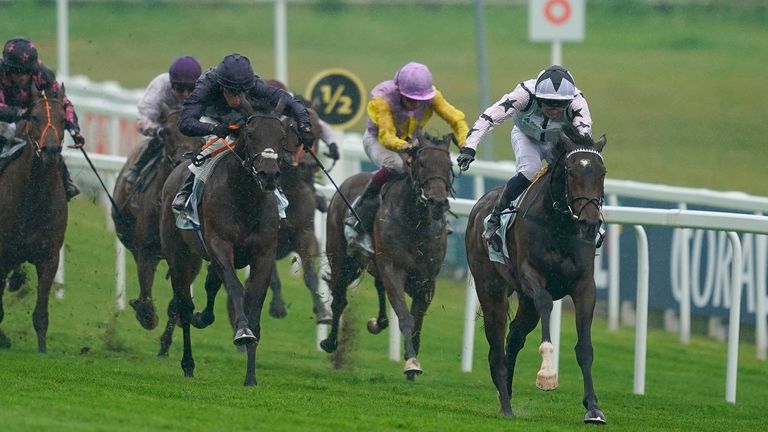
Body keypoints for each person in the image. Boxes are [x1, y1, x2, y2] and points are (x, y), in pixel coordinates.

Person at [456, 65, 594, 252]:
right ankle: (496, 216)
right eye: (548, 103)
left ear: (568, 101)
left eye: (560, 105)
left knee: (576, 173)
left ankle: (593, 226)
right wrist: (470, 147)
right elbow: (490, 117)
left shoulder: (578, 102)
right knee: (530, 170)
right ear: (538, 97)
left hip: (559, 142)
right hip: (526, 136)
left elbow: (583, 140)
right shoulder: (524, 94)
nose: (554, 110)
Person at [346, 61, 469, 254]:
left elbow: (456, 119)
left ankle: (438, 215)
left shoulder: (433, 97)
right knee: (396, 164)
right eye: (409, 99)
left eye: (419, 100)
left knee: (429, 163)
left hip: (410, 140)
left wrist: (465, 143)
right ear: (399, 92)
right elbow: (386, 136)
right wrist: (406, 148)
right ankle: (358, 211)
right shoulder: (383, 99)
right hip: (378, 139)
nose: (415, 104)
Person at [173, 53, 315, 211]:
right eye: (231, 92)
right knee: (218, 143)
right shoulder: (206, 85)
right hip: (212, 120)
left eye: (241, 93)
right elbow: (185, 122)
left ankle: (274, 185)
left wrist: (305, 126)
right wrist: (213, 129)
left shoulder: (255, 85)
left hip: (243, 120)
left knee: (265, 140)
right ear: (221, 85)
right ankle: (188, 188)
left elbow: (291, 101)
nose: (235, 99)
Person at [0, 37, 85, 200]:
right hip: (5, 118)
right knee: (5, 131)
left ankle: (65, 180)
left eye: (27, 72)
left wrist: (74, 128)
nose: (23, 77)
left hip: (29, 117)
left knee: (47, 139)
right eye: (18, 72)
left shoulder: (41, 74)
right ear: (8, 68)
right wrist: (19, 113)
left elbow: (63, 103)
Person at [124, 56, 202, 185]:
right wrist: (156, 130)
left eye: (191, 89)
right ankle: (137, 169)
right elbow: (144, 116)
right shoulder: (160, 85)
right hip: (166, 129)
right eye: (180, 89)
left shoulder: (205, 88)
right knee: (160, 140)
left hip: (191, 130)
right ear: (171, 85)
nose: (186, 94)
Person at [265, 78, 340, 212]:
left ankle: (313, 193)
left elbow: (320, 126)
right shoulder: (263, 114)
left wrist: (332, 144)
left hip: (297, 166)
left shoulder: (294, 108)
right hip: (270, 163)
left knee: (304, 171)